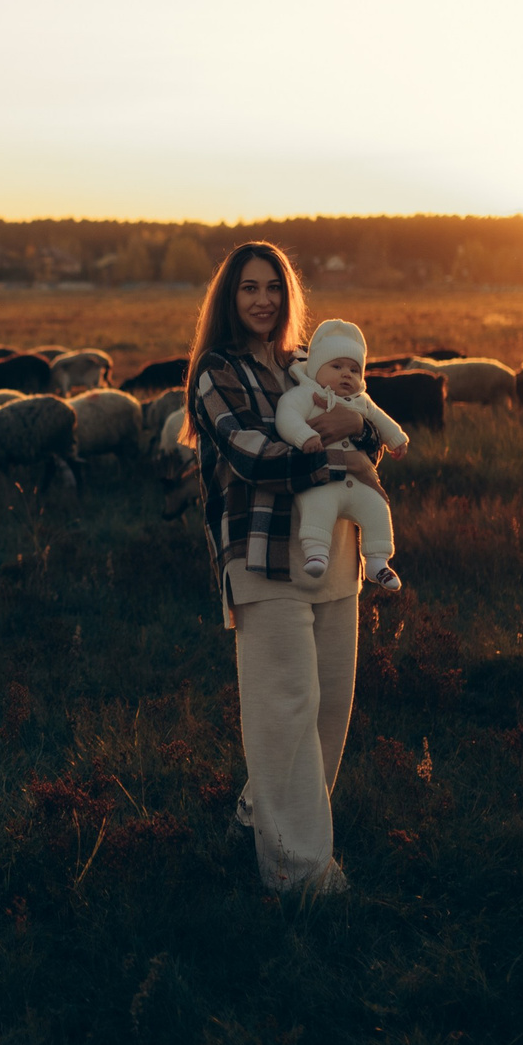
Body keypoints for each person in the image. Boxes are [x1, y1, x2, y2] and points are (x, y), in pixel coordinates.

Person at [180, 242, 386, 896]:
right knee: (285, 706)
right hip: (262, 553)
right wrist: (344, 459)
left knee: (329, 706)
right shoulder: (218, 371)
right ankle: (298, 874)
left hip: (334, 553)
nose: (263, 299)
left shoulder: (307, 364)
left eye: (273, 287)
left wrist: (363, 436)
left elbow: (368, 431)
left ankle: (257, 815)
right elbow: (252, 456)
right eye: (248, 288)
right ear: (229, 298)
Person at [273, 318, 410, 591]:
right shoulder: (304, 395)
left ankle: (377, 561)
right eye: (336, 367)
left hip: (358, 484)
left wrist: (395, 438)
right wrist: (305, 436)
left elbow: (379, 420)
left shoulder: (362, 401)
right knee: (316, 503)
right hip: (323, 478)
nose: (346, 374)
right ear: (315, 369)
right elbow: (286, 417)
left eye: (353, 369)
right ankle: (316, 552)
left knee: (377, 505)